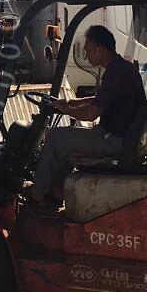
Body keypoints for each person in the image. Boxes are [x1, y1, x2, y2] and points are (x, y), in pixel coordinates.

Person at [31, 25, 146, 205]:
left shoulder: (116, 72)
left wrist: (65, 109)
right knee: (67, 140)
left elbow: (91, 114)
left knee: (54, 136)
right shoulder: (122, 68)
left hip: (113, 139)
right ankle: (58, 191)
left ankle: (37, 194)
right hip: (120, 136)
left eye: (88, 50)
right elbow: (102, 99)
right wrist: (74, 103)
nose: (86, 54)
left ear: (99, 49)